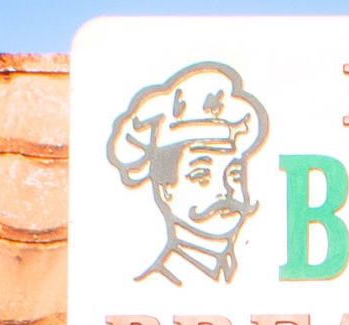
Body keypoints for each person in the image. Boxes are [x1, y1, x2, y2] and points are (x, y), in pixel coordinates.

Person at [106, 64, 268, 287]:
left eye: (235, 174)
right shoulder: (156, 287)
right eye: (202, 175)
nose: (226, 191)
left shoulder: (257, 275)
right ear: (165, 188)